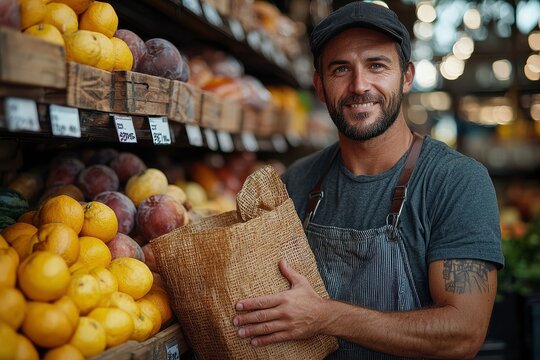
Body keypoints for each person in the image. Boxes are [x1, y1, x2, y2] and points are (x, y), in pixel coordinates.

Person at [232, 1, 504, 359]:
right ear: (319, 85)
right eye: (341, 69)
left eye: (377, 65)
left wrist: (326, 318)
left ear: (406, 77)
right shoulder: (297, 182)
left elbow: (463, 334)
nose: (359, 85)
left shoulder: (456, 182)